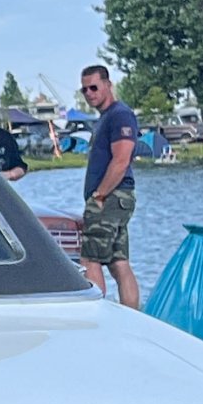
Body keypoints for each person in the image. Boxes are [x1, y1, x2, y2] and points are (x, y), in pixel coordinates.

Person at [79, 64, 140, 307]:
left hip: (112, 196)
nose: (89, 93)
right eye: (84, 90)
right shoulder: (106, 118)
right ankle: (133, 320)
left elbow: (122, 159)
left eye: (94, 87)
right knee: (118, 263)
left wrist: (99, 196)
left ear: (108, 85)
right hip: (116, 197)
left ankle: (99, 319)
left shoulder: (120, 115)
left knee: (90, 259)